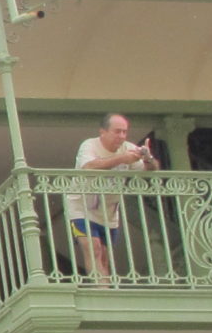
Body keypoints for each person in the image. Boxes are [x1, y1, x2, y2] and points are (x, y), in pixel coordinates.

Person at [65, 113, 159, 277]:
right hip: (81, 207)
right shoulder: (90, 145)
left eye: (124, 132)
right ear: (103, 131)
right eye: (117, 131)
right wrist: (121, 159)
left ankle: (105, 289)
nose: (121, 136)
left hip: (109, 213)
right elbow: (88, 166)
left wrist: (148, 158)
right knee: (93, 250)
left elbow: (150, 170)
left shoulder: (128, 148)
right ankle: (102, 295)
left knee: (104, 258)